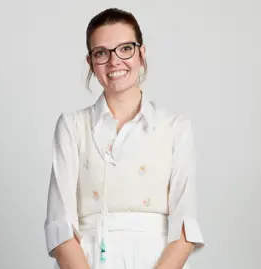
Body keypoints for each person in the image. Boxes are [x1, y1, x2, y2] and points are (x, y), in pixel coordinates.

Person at [44, 7, 205, 269]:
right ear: (90, 62)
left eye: (125, 49)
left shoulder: (175, 128)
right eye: (102, 53)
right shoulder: (72, 126)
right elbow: (60, 225)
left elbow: (184, 226)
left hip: (156, 260)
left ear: (141, 54)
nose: (114, 61)